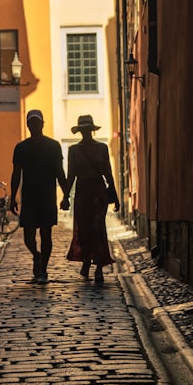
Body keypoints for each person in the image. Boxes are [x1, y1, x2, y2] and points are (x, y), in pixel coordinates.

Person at [10, 108, 69, 284]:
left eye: (37, 122)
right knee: (28, 236)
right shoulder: (21, 148)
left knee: (46, 234)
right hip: (28, 197)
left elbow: (60, 172)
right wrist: (13, 197)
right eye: (32, 122)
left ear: (42, 124)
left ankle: (43, 271)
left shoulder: (53, 146)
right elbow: (16, 173)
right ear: (28, 125)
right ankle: (37, 256)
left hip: (47, 197)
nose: (35, 125)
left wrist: (66, 195)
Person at [60, 115, 120, 283]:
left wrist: (114, 194)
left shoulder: (101, 148)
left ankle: (98, 266)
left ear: (90, 130)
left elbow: (108, 172)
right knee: (84, 227)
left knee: (97, 227)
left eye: (87, 129)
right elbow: (70, 175)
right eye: (84, 130)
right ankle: (87, 261)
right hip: (83, 192)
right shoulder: (74, 150)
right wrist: (66, 196)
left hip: (96, 192)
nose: (86, 132)